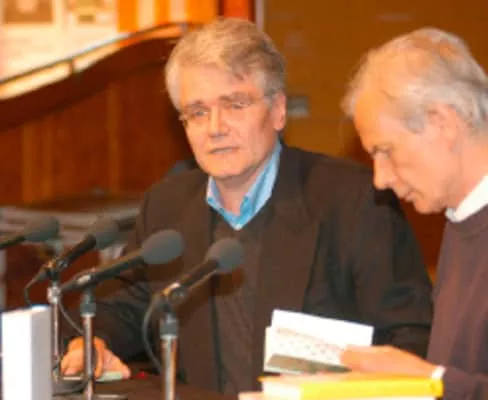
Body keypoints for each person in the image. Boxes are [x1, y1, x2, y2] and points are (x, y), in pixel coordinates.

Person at [61, 17, 433, 395]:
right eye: (198, 112)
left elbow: (411, 337)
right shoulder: (167, 206)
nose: (215, 127)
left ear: (278, 110)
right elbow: (123, 307)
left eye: (235, 104)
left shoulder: (354, 200)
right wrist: (94, 343)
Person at [339, 27, 488, 400]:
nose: (380, 179)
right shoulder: (461, 221)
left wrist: (429, 378)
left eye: (385, 150)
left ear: (442, 124)